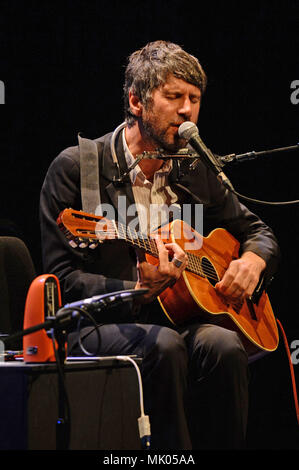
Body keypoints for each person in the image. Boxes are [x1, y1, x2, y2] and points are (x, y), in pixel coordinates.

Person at [39, 40, 280, 450]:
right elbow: (62, 281)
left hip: (179, 319)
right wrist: (133, 289)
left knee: (223, 343)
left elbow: (259, 231)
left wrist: (254, 260)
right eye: (174, 97)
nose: (187, 110)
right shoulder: (79, 168)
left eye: (194, 99)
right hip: (100, 325)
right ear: (136, 101)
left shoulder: (195, 167)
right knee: (164, 346)